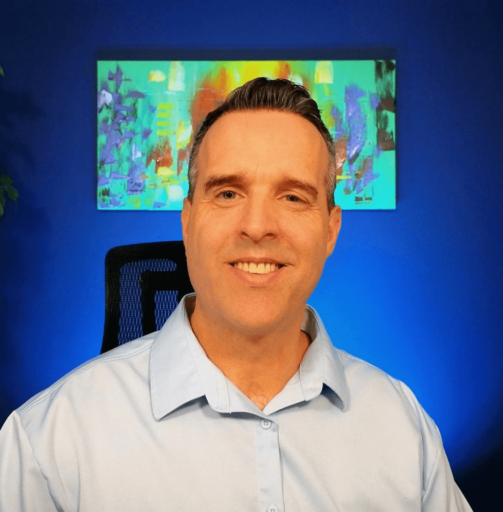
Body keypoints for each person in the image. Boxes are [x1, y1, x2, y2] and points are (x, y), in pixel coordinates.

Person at [0, 77, 472, 511]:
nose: (257, 226)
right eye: (228, 193)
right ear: (187, 222)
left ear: (331, 230)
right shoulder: (50, 442)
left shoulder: (403, 428)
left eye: (292, 197)